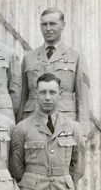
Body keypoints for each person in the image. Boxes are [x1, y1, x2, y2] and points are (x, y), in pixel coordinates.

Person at [20, 8, 90, 136]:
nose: (47, 28)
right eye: (44, 24)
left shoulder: (76, 57)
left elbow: (83, 98)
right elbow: (22, 96)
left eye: (52, 24)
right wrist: (19, 128)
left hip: (65, 122)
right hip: (32, 122)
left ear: (63, 25)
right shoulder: (28, 58)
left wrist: (83, 132)